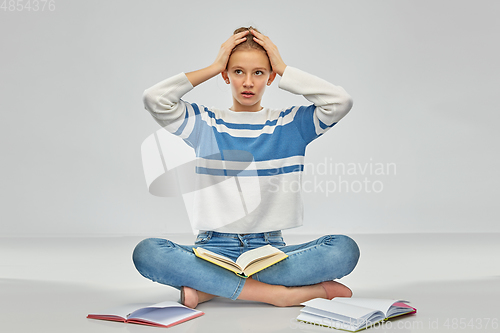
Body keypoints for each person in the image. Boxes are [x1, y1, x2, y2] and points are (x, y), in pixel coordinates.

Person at [133, 27, 359, 309]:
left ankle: (211, 288)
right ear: (226, 76)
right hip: (212, 247)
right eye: (238, 71)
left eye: (259, 73)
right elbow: (154, 99)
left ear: (271, 76)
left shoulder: (291, 125)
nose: (248, 82)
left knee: (343, 250)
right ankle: (277, 295)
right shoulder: (205, 122)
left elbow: (340, 102)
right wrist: (214, 66)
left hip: (268, 251)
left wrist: (284, 67)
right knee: (148, 253)